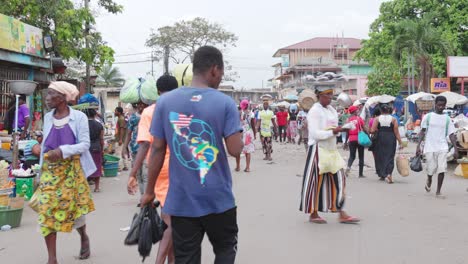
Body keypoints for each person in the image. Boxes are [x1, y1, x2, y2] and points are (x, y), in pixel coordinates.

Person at [140, 46, 243, 264]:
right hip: (218, 199)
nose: (219, 79)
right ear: (214, 70)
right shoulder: (225, 103)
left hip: (181, 199)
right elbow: (235, 150)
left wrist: (149, 191)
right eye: (221, 74)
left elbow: (156, 148)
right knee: (225, 251)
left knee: (186, 257)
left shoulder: (165, 103)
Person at [38, 81, 96, 264]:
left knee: (75, 211)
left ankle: (83, 236)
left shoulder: (79, 117)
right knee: (46, 211)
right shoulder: (48, 117)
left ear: (62, 98)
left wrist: (62, 151)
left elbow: (85, 144)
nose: (47, 98)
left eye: (50, 94)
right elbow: (45, 144)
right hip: (50, 171)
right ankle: (52, 258)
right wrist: (39, 151)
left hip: (71, 170)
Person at [128, 74, 179, 264]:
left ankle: (170, 260)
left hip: (158, 170)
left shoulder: (149, 112)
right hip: (180, 168)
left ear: (158, 92)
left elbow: (144, 146)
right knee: (171, 219)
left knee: (170, 218)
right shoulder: (182, 110)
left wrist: (133, 174)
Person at [300, 87, 359, 224]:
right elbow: (315, 134)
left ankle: (341, 212)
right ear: (319, 96)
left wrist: (343, 128)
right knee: (315, 182)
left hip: (331, 150)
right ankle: (313, 213)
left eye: (331, 96)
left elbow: (334, 129)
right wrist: (334, 132)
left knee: (340, 179)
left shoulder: (331, 110)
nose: (330, 98)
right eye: (327, 96)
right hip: (317, 149)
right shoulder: (315, 111)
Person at [417, 96, 458, 197]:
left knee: (442, 168)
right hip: (429, 147)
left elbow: (452, 135)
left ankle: (438, 191)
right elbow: (422, 132)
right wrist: (418, 146)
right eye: (439, 105)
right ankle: (429, 178)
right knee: (431, 169)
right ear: (435, 104)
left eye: (443, 105)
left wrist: (456, 149)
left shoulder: (447, 119)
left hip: (442, 147)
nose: (441, 107)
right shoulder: (428, 117)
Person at [371, 103, 403, 183]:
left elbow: (372, 130)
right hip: (391, 138)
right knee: (390, 156)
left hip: (380, 138)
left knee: (380, 156)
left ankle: (382, 174)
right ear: (389, 110)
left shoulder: (377, 119)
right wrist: (400, 142)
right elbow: (396, 132)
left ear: (381, 110)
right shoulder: (393, 119)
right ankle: (389, 174)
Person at [124, 102, 148, 189]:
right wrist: (125, 147)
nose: (141, 106)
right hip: (135, 149)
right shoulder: (133, 118)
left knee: (146, 175)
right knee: (138, 175)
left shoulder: (150, 116)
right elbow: (128, 133)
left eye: (143, 104)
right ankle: (142, 197)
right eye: (139, 104)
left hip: (148, 150)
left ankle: (146, 200)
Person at [85, 108, 104, 192]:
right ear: (94, 115)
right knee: (97, 166)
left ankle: (85, 187)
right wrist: (102, 149)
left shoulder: (83, 125)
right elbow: (101, 139)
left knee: (85, 167)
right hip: (96, 147)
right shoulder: (99, 125)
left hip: (86, 148)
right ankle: (97, 187)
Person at [345, 105, 366, 178]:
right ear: (354, 111)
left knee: (352, 156)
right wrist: (368, 136)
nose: (357, 111)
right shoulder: (359, 119)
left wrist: (345, 143)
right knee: (361, 157)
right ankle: (360, 174)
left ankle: (348, 167)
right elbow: (364, 128)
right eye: (356, 110)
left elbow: (347, 132)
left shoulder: (348, 120)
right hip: (360, 139)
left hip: (351, 139)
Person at [235, 99, 256, 172]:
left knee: (238, 150)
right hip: (249, 133)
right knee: (248, 151)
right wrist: (255, 134)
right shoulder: (251, 114)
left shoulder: (239, 113)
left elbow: (236, 123)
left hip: (240, 132)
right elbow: (253, 125)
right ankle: (247, 167)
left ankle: (238, 167)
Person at [114, 106, 128, 171]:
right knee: (122, 153)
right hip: (122, 139)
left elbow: (122, 129)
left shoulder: (121, 119)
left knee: (118, 153)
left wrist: (120, 139)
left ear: (119, 112)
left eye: (116, 111)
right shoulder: (121, 118)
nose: (114, 112)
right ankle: (125, 166)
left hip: (120, 139)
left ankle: (119, 167)